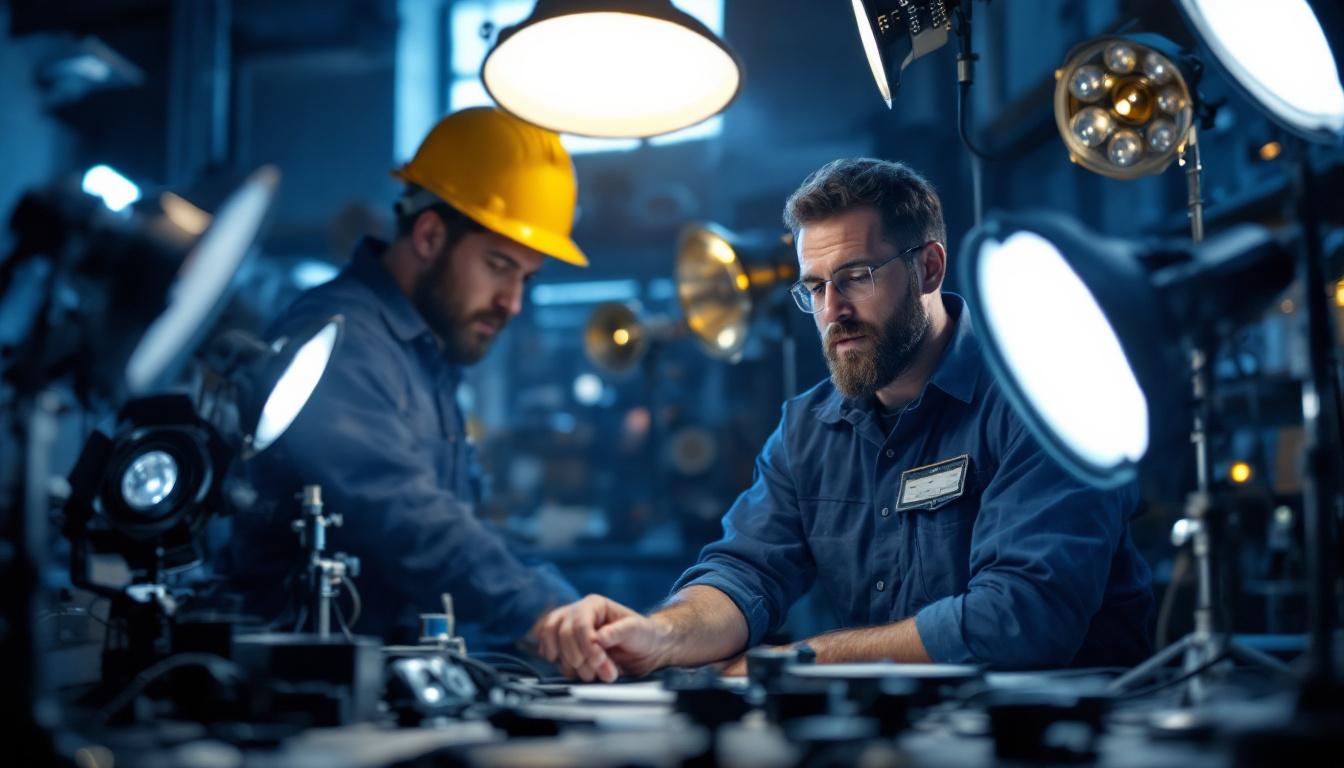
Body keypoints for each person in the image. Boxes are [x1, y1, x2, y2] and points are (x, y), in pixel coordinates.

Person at [534, 158, 1154, 681]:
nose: (834, 311)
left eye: (856, 276)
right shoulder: (807, 430)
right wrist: (659, 634)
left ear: (929, 268)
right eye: (814, 287)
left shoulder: (1042, 399)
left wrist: (798, 662)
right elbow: (745, 572)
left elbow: (1019, 621)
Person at [227, 107, 584, 646]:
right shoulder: (340, 338)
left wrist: (571, 609)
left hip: (383, 682)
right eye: (498, 265)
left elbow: (459, 524)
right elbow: (402, 514)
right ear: (430, 235)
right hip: (293, 689)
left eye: (527, 278)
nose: (512, 303)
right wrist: (545, 612)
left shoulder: (425, 358)